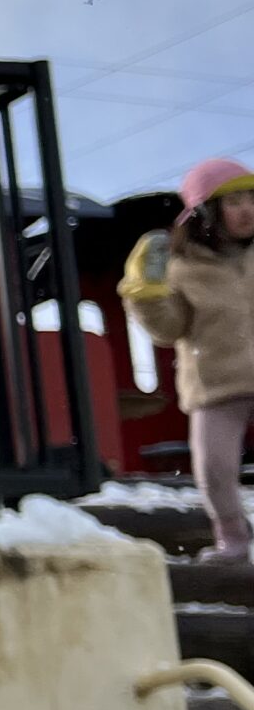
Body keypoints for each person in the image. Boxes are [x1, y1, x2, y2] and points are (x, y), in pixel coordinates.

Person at [119, 157, 254, 562]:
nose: (246, 209)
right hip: (216, 385)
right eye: (233, 202)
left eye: (251, 198)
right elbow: (168, 330)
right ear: (206, 213)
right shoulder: (182, 268)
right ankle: (234, 542)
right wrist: (146, 294)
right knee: (214, 472)